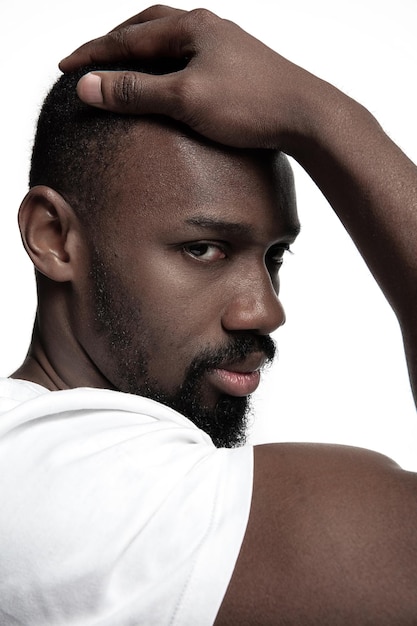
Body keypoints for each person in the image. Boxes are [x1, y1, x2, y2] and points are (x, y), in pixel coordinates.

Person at [1, 4, 416, 624]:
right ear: (54, 237)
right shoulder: (76, 489)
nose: (265, 310)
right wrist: (321, 116)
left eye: (275, 256)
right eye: (204, 248)